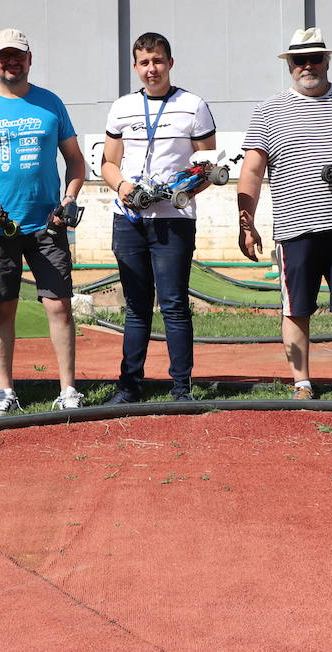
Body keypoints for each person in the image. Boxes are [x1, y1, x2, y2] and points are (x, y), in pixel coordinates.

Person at [237, 28, 332, 402]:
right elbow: (252, 170)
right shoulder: (269, 110)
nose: (307, 66)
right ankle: (301, 384)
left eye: (315, 58)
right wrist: (246, 220)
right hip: (295, 228)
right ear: (289, 64)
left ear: (327, 61)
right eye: (299, 60)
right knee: (295, 309)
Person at [0, 28, 88, 416]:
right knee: (2, 308)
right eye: (3, 56)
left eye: (18, 55)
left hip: (47, 224)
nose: (11, 62)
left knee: (59, 306)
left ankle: (69, 390)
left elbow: (76, 161)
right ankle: (5, 391)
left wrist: (70, 199)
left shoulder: (50, 103)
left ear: (29, 59)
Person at [101, 32, 217, 403]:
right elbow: (108, 163)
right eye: (144, 62)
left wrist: (181, 192)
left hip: (174, 221)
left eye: (158, 61)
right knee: (136, 306)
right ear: (135, 67)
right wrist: (124, 189)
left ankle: (181, 388)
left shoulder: (193, 105)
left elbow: (207, 166)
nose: (152, 69)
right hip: (129, 219)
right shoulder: (121, 107)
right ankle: (129, 386)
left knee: (174, 304)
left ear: (170, 62)